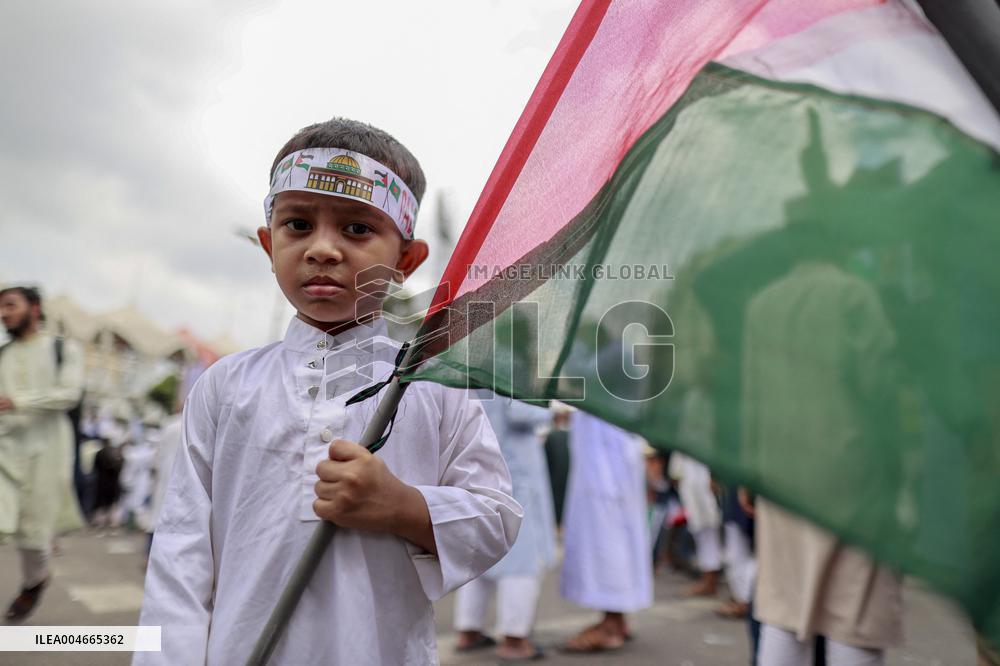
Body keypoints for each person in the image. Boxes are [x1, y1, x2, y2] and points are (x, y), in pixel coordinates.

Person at [135, 118, 522, 665]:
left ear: (406, 260)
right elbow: (180, 553)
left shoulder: (432, 385)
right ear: (269, 243)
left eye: (357, 229)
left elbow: (496, 519)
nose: (322, 249)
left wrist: (403, 506)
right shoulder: (226, 385)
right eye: (297, 224)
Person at [0, 286, 84, 620]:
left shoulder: (63, 349)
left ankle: (35, 581)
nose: (4, 313)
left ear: (34, 308)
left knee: (33, 535)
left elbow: (69, 394)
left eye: (11, 305)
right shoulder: (3, 354)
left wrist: (19, 401)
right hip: (4, 450)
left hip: (46, 453)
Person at [454, 393, 556, 661]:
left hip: (481, 468)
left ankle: (469, 629)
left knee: (478, 552)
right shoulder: (513, 368)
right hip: (515, 471)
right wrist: (551, 410)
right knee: (523, 558)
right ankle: (514, 638)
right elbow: (520, 411)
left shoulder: (473, 368)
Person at [560, 410, 652, 653]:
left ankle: (612, 623)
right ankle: (616, 617)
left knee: (608, 533)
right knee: (612, 531)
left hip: (607, 453)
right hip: (607, 445)